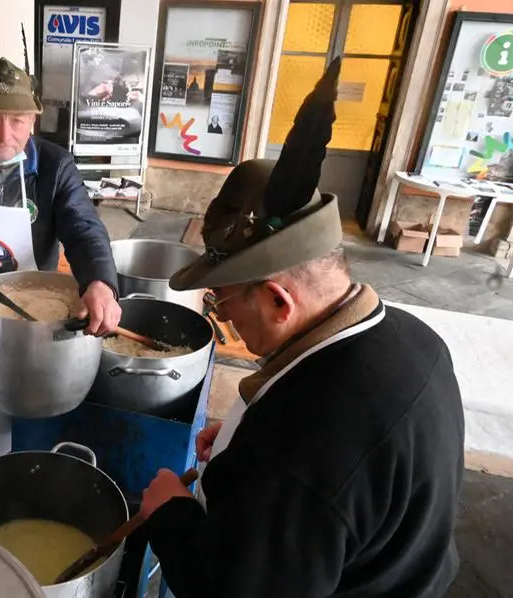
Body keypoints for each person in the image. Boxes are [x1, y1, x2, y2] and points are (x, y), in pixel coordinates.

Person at [140, 57, 465, 597]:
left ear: (276, 300)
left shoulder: (300, 450)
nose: (224, 319)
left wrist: (168, 515)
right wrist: (246, 443)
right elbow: (365, 483)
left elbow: (232, 587)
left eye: (221, 304)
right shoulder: (414, 339)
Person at [0, 57, 121, 482]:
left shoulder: (53, 167)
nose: (4, 135)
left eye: (17, 121)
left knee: (33, 439)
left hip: (35, 329)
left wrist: (101, 283)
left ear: (34, 120)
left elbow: (84, 230)